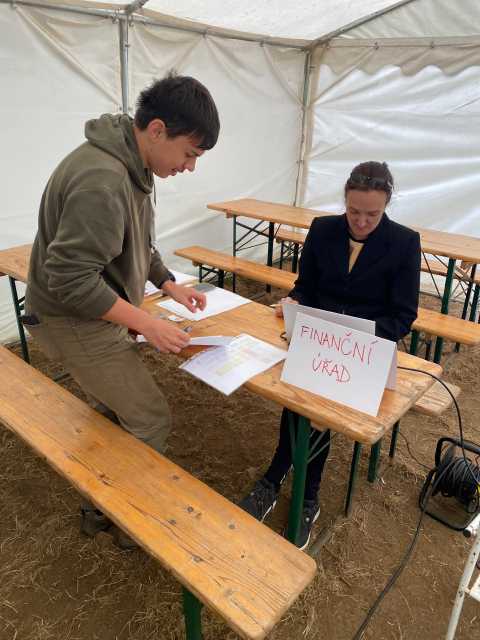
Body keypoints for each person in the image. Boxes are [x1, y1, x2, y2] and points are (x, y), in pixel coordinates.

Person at [24, 72, 220, 548]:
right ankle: (128, 517)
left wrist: (167, 284)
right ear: (157, 130)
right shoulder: (103, 179)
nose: (190, 167)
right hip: (70, 319)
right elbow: (69, 279)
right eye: (190, 153)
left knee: (116, 410)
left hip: (88, 312)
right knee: (150, 417)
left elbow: (137, 242)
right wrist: (147, 323)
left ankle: (100, 503)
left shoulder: (134, 164)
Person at [239, 161, 421, 549]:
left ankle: (295, 487)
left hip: (363, 350)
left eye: (372, 214)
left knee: (315, 409)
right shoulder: (323, 230)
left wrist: (354, 333)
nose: (361, 221)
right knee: (299, 399)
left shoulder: (404, 242)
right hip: (316, 341)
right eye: (354, 212)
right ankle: (288, 483)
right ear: (344, 201)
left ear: (386, 205)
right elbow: (306, 286)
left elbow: (403, 316)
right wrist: (295, 301)